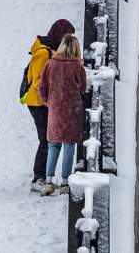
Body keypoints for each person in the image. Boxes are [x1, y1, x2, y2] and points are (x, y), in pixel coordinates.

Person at [20, 19, 76, 193]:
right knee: (46, 138)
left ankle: (43, 176)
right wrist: (52, 98)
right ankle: (38, 178)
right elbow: (38, 81)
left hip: (44, 102)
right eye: (67, 36)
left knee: (48, 138)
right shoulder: (43, 54)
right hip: (37, 102)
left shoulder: (51, 50)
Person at [38, 33, 87, 196]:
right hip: (72, 111)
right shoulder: (77, 66)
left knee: (53, 145)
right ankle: (65, 183)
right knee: (69, 146)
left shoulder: (51, 64)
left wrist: (50, 103)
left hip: (56, 110)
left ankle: (48, 181)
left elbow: (42, 88)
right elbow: (83, 87)